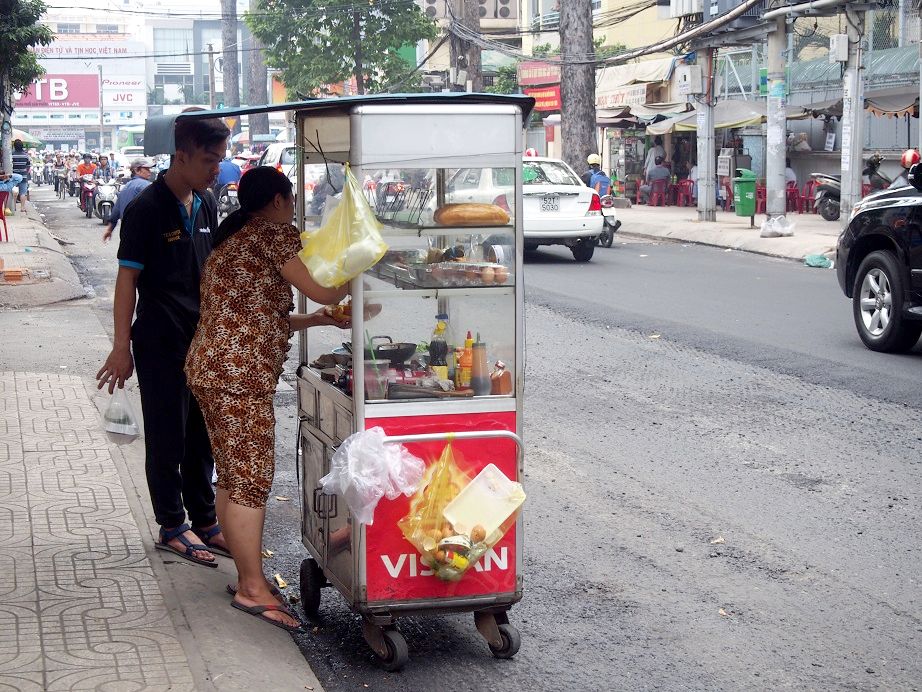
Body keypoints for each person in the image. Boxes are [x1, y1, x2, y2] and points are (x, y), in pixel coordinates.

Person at [185, 167, 348, 631]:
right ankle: (252, 588)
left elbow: (262, 312)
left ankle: (248, 575)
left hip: (212, 369)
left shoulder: (235, 239)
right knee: (251, 480)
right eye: (290, 197)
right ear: (276, 200)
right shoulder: (274, 234)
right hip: (237, 378)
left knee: (232, 478)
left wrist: (317, 321)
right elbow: (322, 286)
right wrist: (361, 261)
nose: (294, 204)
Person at [96, 112, 231, 569]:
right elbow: (126, 281)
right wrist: (121, 347)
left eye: (221, 160)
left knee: (201, 435)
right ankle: (172, 524)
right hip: (159, 341)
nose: (217, 169)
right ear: (181, 156)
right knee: (167, 434)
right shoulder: (146, 209)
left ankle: (205, 518)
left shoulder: (207, 202)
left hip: (202, 340)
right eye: (210, 160)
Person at [102, 157, 154, 243]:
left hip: (126, 233)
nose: (149, 171)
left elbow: (115, 212)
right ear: (137, 170)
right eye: (146, 169)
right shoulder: (146, 186)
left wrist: (109, 230)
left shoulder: (125, 187)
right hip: (143, 232)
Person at [11, 140, 31, 212]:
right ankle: (22, 208)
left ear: (14, 146)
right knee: (23, 192)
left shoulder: (11, 155)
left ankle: (14, 207)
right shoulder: (26, 155)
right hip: (23, 176)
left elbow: (10, 165)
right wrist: (25, 171)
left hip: (14, 176)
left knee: (13, 191)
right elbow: (28, 166)